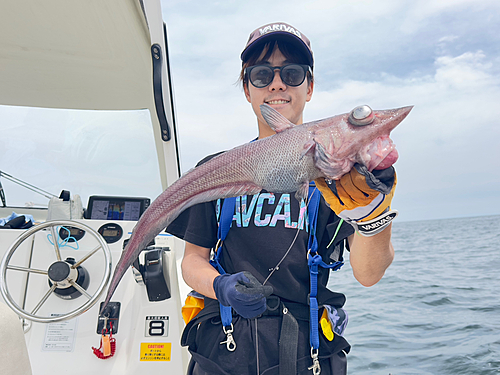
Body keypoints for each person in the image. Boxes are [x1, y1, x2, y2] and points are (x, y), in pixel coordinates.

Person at [167, 22, 397, 375]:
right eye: (261, 75)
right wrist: (220, 286)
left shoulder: (343, 177)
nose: (277, 83)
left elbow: (368, 273)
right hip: (223, 354)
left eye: (292, 73)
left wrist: (371, 213)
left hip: (308, 355)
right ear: (247, 89)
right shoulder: (215, 169)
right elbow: (191, 262)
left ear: (310, 86)